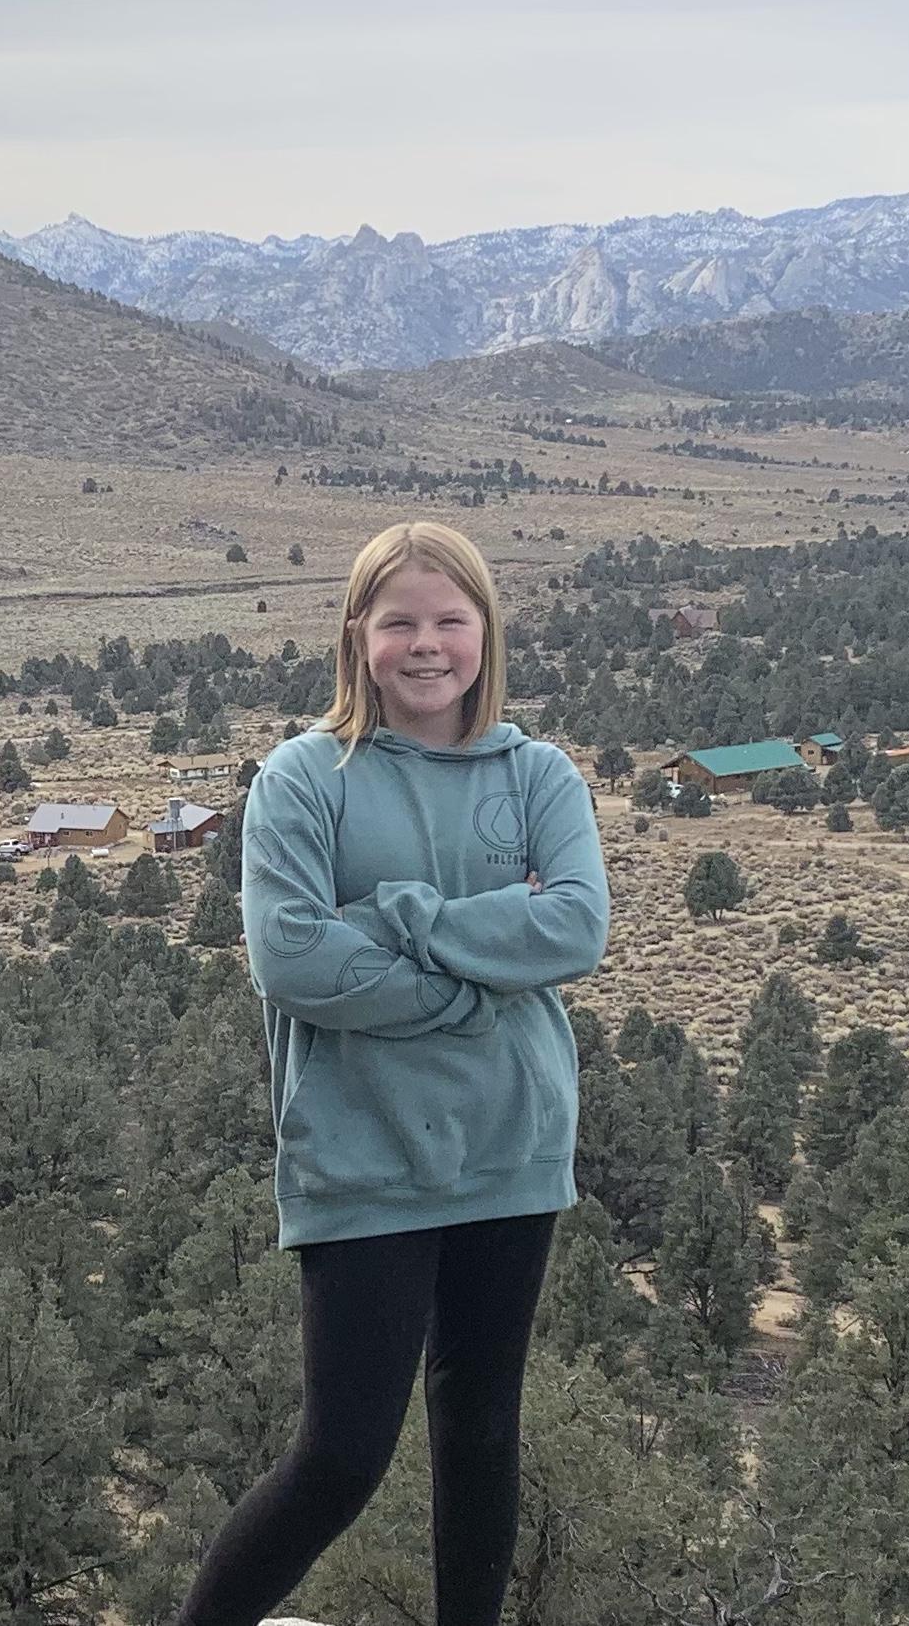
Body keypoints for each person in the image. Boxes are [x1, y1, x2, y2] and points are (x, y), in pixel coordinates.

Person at [175, 519, 611, 1626]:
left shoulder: (539, 774)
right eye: (400, 621)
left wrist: (392, 917)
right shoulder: (303, 779)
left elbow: (573, 927)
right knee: (340, 1456)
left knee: (481, 1433)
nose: (426, 645)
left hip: (510, 1144)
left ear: (485, 634)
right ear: (356, 636)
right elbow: (292, 959)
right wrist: (477, 976)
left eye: (450, 620)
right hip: (361, 1152)